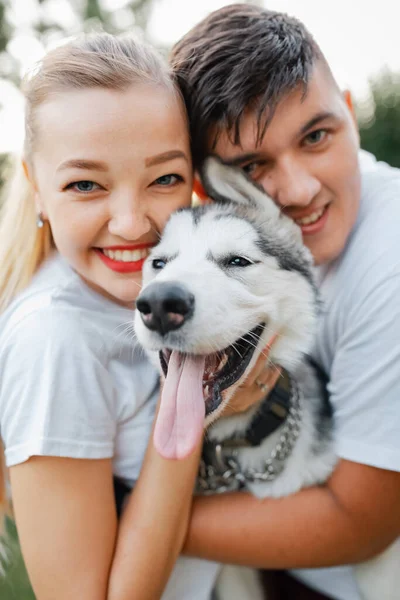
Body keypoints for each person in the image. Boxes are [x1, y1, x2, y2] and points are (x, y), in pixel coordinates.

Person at [0, 29, 277, 600]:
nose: (130, 223)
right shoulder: (57, 338)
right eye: (84, 184)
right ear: (38, 189)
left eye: (164, 178)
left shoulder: (174, 284)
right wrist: (197, 401)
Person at [169, 4, 400, 600]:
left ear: (349, 113)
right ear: (213, 187)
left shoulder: (390, 259)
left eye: (317, 136)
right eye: (253, 165)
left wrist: (130, 521)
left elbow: (363, 522)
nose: (298, 191)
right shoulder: (201, 241)